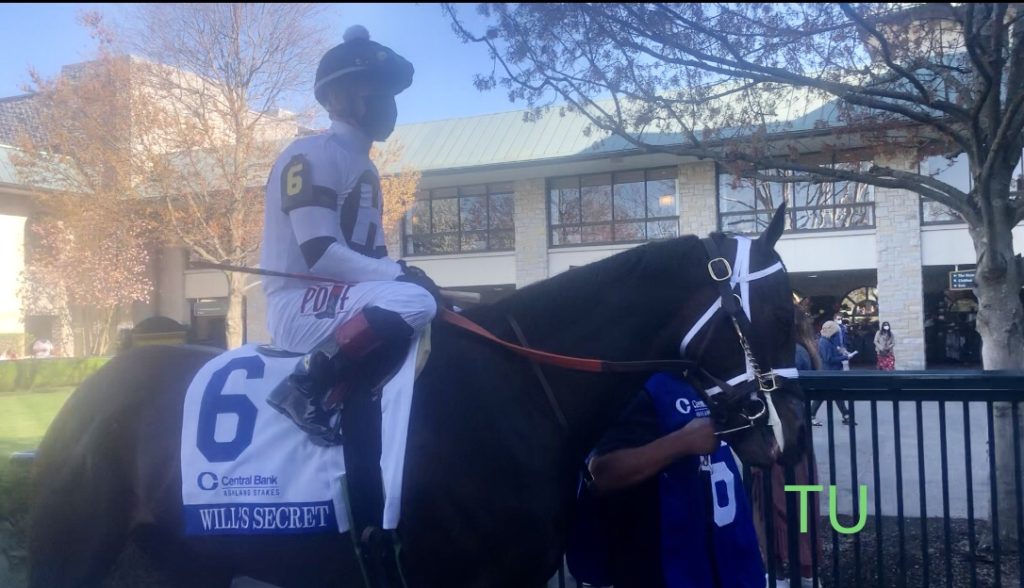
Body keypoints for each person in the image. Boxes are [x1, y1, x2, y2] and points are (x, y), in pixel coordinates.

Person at [260, 25, 438, 443]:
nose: (387, 104)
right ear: (337, 98)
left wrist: (399, 269)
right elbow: (321, 253)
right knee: (413, 300)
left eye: (390, 93)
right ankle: (305, 384)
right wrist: (396, 277)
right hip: (297, 305)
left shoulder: (368, 168)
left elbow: (372, 261)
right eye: (372, 89)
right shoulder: (309, 155)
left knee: (434, 302)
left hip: (338, 301)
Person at [566, 372, 766, 588]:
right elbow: (601, 474)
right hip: (662, 565)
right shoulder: (639, 389)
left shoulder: (711, 382)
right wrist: (682, 442)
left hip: (725, 564)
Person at [751, 306, 822, 587]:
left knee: (775, 508)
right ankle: (805, 572)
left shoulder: (788, 356)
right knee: (800, 506)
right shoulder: (805, 351)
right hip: (797, 444)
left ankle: (780, 573)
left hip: (781, 444)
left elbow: (781, 402)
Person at [811, 321, 854, 425]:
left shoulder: (828, 341)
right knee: (823, 395)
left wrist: (841, 351)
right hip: (827, 372)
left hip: (831, 372)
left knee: (833, 394)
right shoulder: (824, 342)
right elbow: (828, 359)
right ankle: (845, 415)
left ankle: (846, 415)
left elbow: (834, 351)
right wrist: (845, 357)